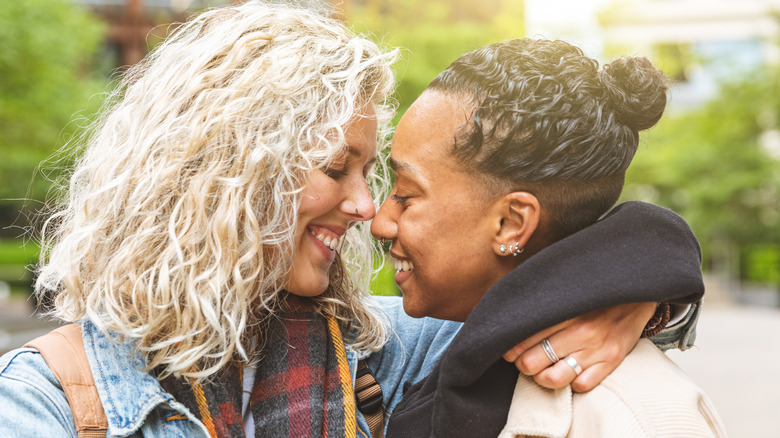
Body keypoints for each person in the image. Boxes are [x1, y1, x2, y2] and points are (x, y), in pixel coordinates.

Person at [0, 4, 688, 438]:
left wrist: (631, 293)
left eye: (379, 179)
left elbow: (536, 271)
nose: (366, 209)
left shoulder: (381, 347)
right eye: (338, 170)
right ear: (231, 174)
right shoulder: (45, 401)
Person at [371, 38, 726, 437]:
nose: (378, 222)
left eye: (405, 195)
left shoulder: (639, 417)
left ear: (510, 223)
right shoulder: (457, 351)